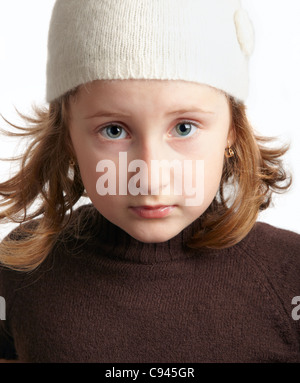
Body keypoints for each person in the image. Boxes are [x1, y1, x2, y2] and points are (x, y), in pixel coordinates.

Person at [0, 0, 299, 363]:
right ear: (66, 137)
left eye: (184, 128)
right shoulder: (19, 270)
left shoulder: (290, 276)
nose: (151, 177)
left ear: (232, 131)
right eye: (114, 130)